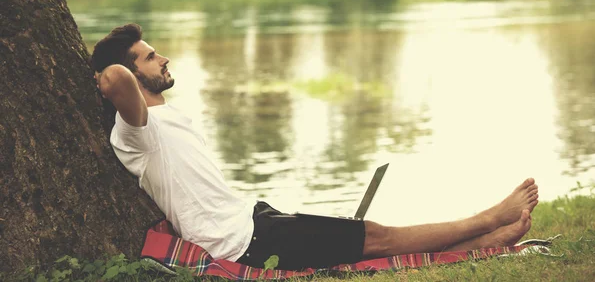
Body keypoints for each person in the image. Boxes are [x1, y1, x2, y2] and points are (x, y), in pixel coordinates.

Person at [92, 24, 540, 271]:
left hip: (254, 220)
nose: (164, 57)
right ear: (133, 70)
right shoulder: (135, 131)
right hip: (241, 242)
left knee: (363, 235)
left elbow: (123, 76)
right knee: (376, 238)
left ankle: (486, 239)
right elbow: (115, 80)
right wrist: (107, 70)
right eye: (151, 56)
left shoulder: (168, 119)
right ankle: (489, 224)